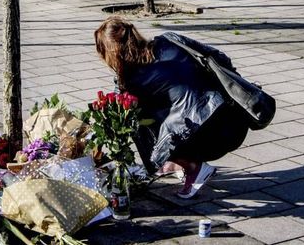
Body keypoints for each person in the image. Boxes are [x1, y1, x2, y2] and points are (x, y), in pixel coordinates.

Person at [93, 16, 250, 199]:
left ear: (112, 53)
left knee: (133, 122)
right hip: (236, 117)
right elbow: (220, 58)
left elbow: (119, 109)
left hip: (215, 138)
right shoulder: (170, 39)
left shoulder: (132, 80)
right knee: (162, 111)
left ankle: (193, 167)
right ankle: (177, 163)